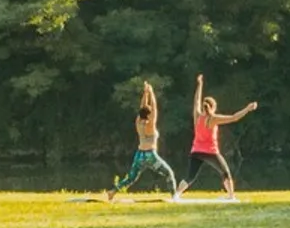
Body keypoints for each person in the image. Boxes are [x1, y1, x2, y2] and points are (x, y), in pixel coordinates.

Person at [176, 73, 258, 201]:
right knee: (226, 173)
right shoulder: (213, 119)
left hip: (196, 151)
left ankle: (176, 195)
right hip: (210, 152)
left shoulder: (198, 116)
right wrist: (247, 108)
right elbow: (234, 117)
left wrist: (199, 84)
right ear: (213, 107)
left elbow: (196, 101)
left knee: (190, 177)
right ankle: (231, 196)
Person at [105, 81, 178, 201]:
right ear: (148, 115)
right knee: (169, 173)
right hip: (150, 155)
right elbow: (154, 109)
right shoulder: (150, 125)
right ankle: (175, 196)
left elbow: (142, 108)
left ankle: (113, 191)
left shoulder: (138, 122)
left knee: (131, 178)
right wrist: (152, 93)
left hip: (139, 155)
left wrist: (145, 93)